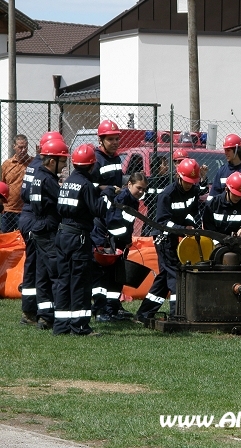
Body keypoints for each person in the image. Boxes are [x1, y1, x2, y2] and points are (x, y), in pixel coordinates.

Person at [54, 144, 116, 336]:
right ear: (92, 166)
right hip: (78, 237)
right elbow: (98, 210)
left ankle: (61, 326)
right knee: (80, 281)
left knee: (64, 280)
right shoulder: (86, 185)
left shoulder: (68, 183)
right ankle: (80, 326)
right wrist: (108, 194)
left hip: (62, 235)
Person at [135, 159, 202, 323]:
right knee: (174, 275)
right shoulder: (167, 194)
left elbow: (192, 212)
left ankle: (144, 313)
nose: (189, 185)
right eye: (186, 181)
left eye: (192, 182)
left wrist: (191, 224)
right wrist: (180, 228)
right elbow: (162, 221)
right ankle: (177, 314)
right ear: (179, 177)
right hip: (163, 238)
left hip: (177, 235)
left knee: (164, 277)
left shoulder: (193, 191)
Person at [17, 132, 62, 325]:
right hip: (36, 218)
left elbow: (23, 193)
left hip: (30, 217)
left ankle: (34, 310)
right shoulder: (41, 171)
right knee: (38, 267)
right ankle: (32, 311)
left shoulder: (33, 166)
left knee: (36, 266)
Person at [93, 173, 148, 321]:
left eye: (144, 189)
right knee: (103, 279)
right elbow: (114, 225)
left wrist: (126, 240)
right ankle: (100, 311)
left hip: (117, 243)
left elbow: (127, 225)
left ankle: (112, 308)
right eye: (139, 188)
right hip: (106, 242)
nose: (141, 192)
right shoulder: (121, 199)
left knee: (115, 278)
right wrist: (125, 239)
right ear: (129, 184)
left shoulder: (133, 201)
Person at [30, 139, 70, 330]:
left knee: (42, 275)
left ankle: (44, 316)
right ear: (51, 161)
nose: (64, 166)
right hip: (48, 231)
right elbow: (63, 201)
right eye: (62, 162)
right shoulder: (48, 179)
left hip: (38, 229)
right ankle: (58, 316)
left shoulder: (38, 175)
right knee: (56, 273)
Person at [90, 120, 123, 320]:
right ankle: (100, 308)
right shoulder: (96, 160)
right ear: (101, 140)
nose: (115, 142)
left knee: (115, 264)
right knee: (100, 264)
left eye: (117, 138)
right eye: (110, 139)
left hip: (114, 215)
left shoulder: (116, 159)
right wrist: (110, 190)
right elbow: (91, 187)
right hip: (100, 218)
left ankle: (113, 306)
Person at [203, 171, 241, 237]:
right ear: (227, 189)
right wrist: (216, 242)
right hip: (215, 242)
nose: (238, 197)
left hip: (236, 243)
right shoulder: (213, 204)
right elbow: (207, 225)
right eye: (235, 194)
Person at [1, 134, 33, 233]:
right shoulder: (7, 164)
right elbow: (2, 185)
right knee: (6, 239)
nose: (23, 150)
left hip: (26, 210)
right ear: (14, 146)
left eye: (25, 147)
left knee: (25, 239)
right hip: (8, 209)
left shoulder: (33, 163)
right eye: (20, 147)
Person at [207, 133, 241, 202]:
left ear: (237, 150)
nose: (225, 153)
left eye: (228, 150)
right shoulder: (222, 171)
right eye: (225, 150)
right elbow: (213, 196)